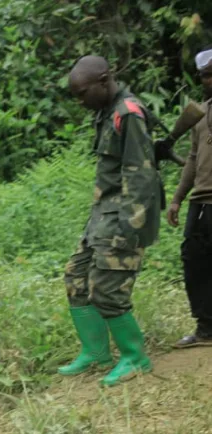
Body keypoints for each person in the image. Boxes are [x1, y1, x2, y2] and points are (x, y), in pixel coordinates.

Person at [59, 55, 163, 386]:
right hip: (102, 214)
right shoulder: (106, 112)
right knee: (76, 276)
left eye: (82, 93)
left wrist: (127, 231)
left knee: (108, 289)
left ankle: (135, 357)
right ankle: (96, 351)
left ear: (104, 81)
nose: (79, 101)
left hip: (122, 217)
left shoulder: (128, 114)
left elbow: (141, 175)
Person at [167, 47, 212, 349]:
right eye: (204, 76)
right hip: (202, 201)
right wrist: (176, 199)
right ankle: (206, 328)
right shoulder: (200, 113)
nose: (208, 80)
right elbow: (193, 159)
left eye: (211, 74)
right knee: (195, 262)